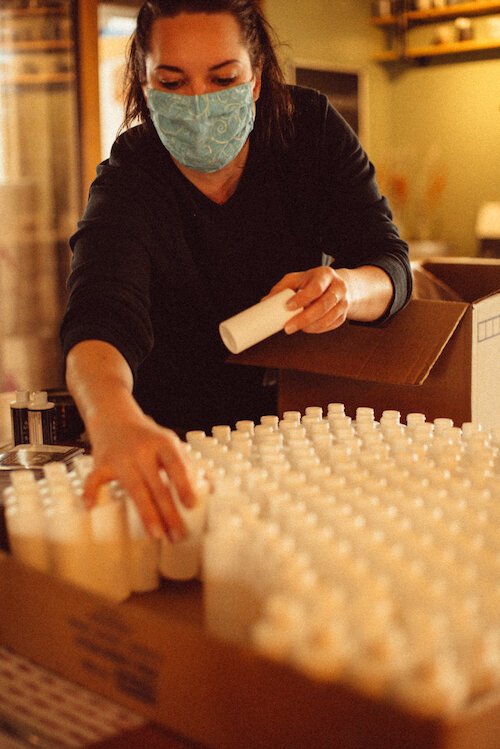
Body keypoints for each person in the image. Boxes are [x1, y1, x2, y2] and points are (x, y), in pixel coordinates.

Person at [60, 0, 412, 543]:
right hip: (170, 438)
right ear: (144, 85)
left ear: (256, 77)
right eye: (172, 83)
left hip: (296, 433)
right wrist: (112, 420)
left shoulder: (308, 132)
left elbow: (388, 262)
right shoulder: (131, 178)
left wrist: (346, 288)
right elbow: (99, 319)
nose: (199, 103)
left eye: (223, 78)